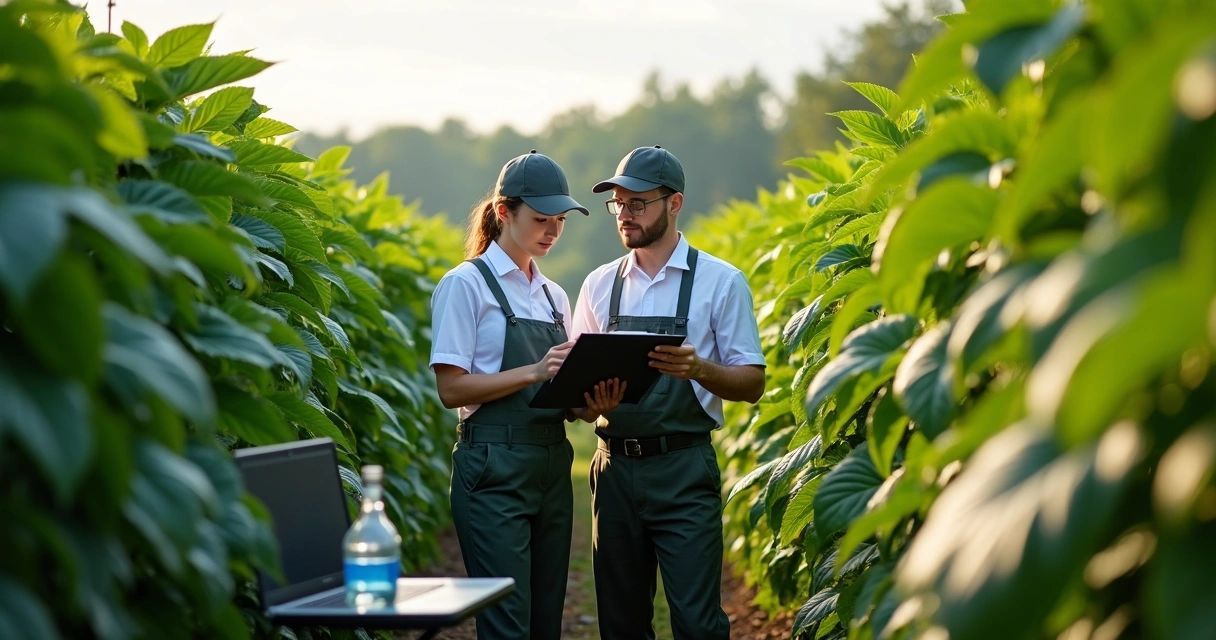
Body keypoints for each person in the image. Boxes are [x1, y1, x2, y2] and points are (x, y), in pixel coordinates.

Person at [570, 145, 766, 640]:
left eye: (638, 202)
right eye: (619, 203)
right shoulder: (597, 286)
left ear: (674, 203)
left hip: (683, 470)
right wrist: (586, 405)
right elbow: (570, 394)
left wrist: (700, 369)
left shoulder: (721, 282)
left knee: (698, 624)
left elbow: (753, 382)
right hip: (612, 471)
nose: (625, 214)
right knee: (621, 623)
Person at [429, 150, 625, 640]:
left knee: (544, 623)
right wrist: (533, 371)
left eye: (559, 221)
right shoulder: (465, 285)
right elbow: (450, 388)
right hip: (492, 465)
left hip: (551, 466)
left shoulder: (555, 295)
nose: (552, 232)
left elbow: (561, 391)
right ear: (503, 213)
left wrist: (590, 404)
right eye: (541, 219)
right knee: (506, 624)